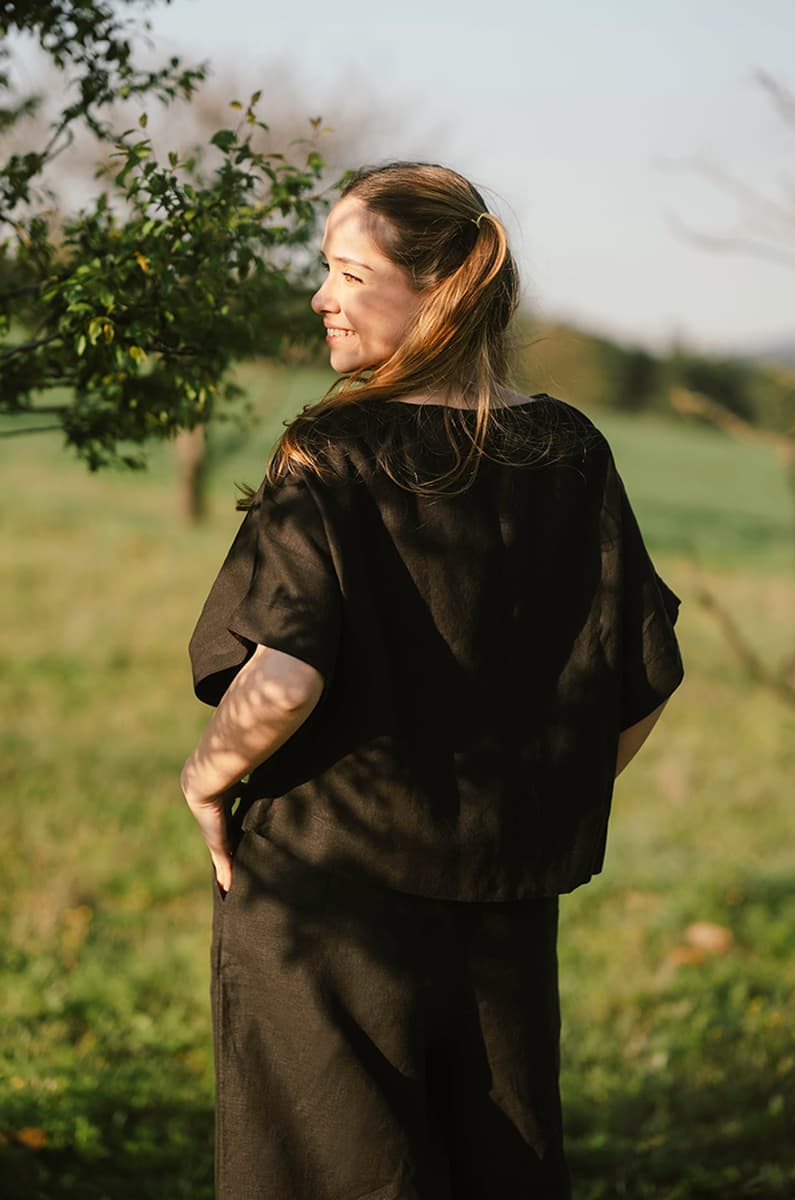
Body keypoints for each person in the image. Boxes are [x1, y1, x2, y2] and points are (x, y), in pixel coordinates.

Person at [182, 162, 684, 1200]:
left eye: (350, 273)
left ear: (439, 290)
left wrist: (201, 778)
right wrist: (522, 803)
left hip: (324, 911)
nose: (321, 295)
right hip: (503, 905)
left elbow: (282, 680)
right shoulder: (571, 450)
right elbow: (636, 680)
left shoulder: (329, 450)